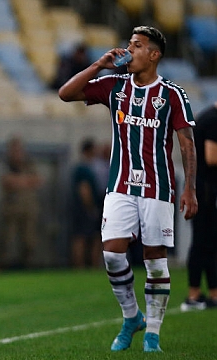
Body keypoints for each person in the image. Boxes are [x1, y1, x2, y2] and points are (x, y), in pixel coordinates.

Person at [59, 26, 198, 352]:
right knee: (111, 253)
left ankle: (152, 332)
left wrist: (189, 188)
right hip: (119, 186)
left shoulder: (172, 94)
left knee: (154, 260)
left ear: (154, 54)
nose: (129, 50)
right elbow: (65, 94)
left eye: (137, 45)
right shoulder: (114, 86)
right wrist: (97, 65)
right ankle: (131, 316)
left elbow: (187, 144)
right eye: (129, 44)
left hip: (158, 188)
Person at [181, 102, 217, 311]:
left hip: (202, 188)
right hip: (203, 190)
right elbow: (212, 156)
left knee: (208, 241)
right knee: (203, 241)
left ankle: (212, 292)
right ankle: (193, 293)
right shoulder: (213, 120)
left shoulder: (208, 116)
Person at [0, 135, 43, 270]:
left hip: (28, 207)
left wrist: (19, 181)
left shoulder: (29, 163)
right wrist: (25, 181)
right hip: (11, 207)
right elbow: (7, 181)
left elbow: (38, 180)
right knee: (7, 238)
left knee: (29, 239)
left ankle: (27, 264)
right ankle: (3, 264)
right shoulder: (6, 164)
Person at [70, 138, 103, 268]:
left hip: (84, 207)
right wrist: (90, 207)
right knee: (82, 237)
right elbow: (84, 189)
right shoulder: (83, 169)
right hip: (84, 208)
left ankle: (87, 264)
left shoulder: (88, 167)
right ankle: (81, 265)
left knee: (90, 236)